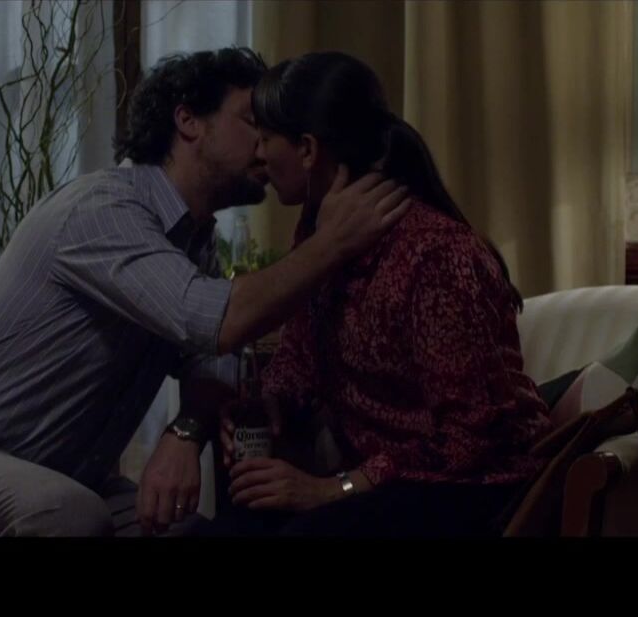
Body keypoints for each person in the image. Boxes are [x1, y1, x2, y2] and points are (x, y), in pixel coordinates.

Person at [0, 47, 412, 537]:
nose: (267, 143)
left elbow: (211, 359)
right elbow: (215, 321)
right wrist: (332, 241)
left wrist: (186, 431)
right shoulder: (106, 209)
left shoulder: (194, 239)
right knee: (69, 515)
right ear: (188, 120)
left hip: (70, 479)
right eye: (253, 122)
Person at [212, 51, 552, 537]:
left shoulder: (433, 254)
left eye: (266, 138)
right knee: (237, 515)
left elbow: (470, 436)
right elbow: (301, 353)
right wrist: (272, 403)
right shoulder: (318, 232)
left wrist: (334, 489)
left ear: (307, 149)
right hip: (385, 479)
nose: (258, 154)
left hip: (469, 485)